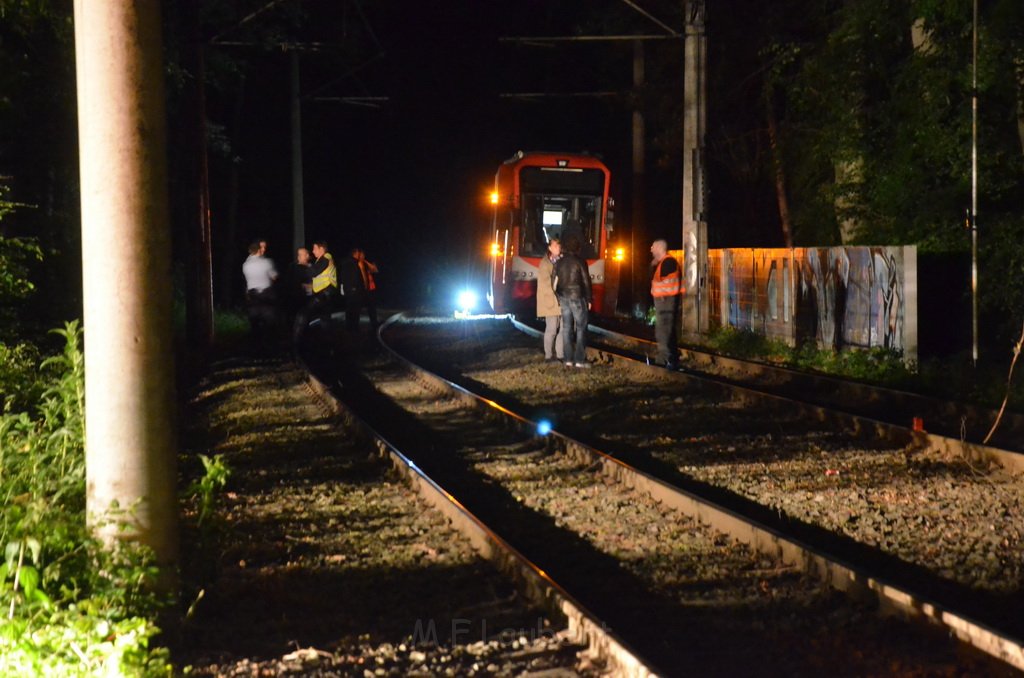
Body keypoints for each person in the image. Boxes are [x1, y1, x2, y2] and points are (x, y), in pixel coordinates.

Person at [554, 235, 592, 368]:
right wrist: (589, 298)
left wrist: (558, 294)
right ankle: (580, 360)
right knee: (581, 328)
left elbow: (555, 279)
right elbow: (586, 282)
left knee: (566, 328)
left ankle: (568, 359)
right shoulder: (580, 262)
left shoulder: (559, 262)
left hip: (563, 297)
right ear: (577, 248)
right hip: (577, 297)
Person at [294, 240, 338, 342]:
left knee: (304, 314)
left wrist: (303, 265)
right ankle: (327, 344)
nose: (313, 252)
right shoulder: (321, 260)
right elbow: (318, 277)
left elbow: (314, 272)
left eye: (315, 249)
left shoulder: (326, 258)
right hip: (325, 294)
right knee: (324, 320)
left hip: (324, 294)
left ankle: (297, 341)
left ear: (321, 249)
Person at [650, 238, 682, 369]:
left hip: (666, 302)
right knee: (668, 331)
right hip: (665, 302)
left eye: (653, 247)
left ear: (659, 249)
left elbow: (662, 282)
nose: (651, 249)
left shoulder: (668, 263)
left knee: (663, 331)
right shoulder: (664, 262)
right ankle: (672, 358)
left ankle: (663, 359)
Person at [242, 240, 278, 351]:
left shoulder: (245, 264)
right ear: (258, 250)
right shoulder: (266, 262)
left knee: (255, 323)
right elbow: (274, 277)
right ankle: (268, 347)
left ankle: (255, 348)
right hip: (266, 295)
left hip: (253, 295)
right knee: (269, 322)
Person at [536, 238, 564, 362]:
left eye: (559, 246)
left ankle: (560, 355)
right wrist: (555, 297)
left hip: (562, 300)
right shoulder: (545, 263)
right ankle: (548, 355)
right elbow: (545, 285)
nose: (558, 248)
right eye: (555, 246)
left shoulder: (563, 261)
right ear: (550, 248)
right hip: (551, 302)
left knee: (563, 329)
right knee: (552, 329)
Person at [340, 246, 379, 332]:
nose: (362, 255)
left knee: (371, 307)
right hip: (363, 289)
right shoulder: (356, 263)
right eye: (361, 254)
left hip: (369, 288)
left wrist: (365, 261)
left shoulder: (364, 263)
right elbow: (361, 277)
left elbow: (375, 270)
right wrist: (365, 287)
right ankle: (353, 327)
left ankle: (374, 324)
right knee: (354, 308)